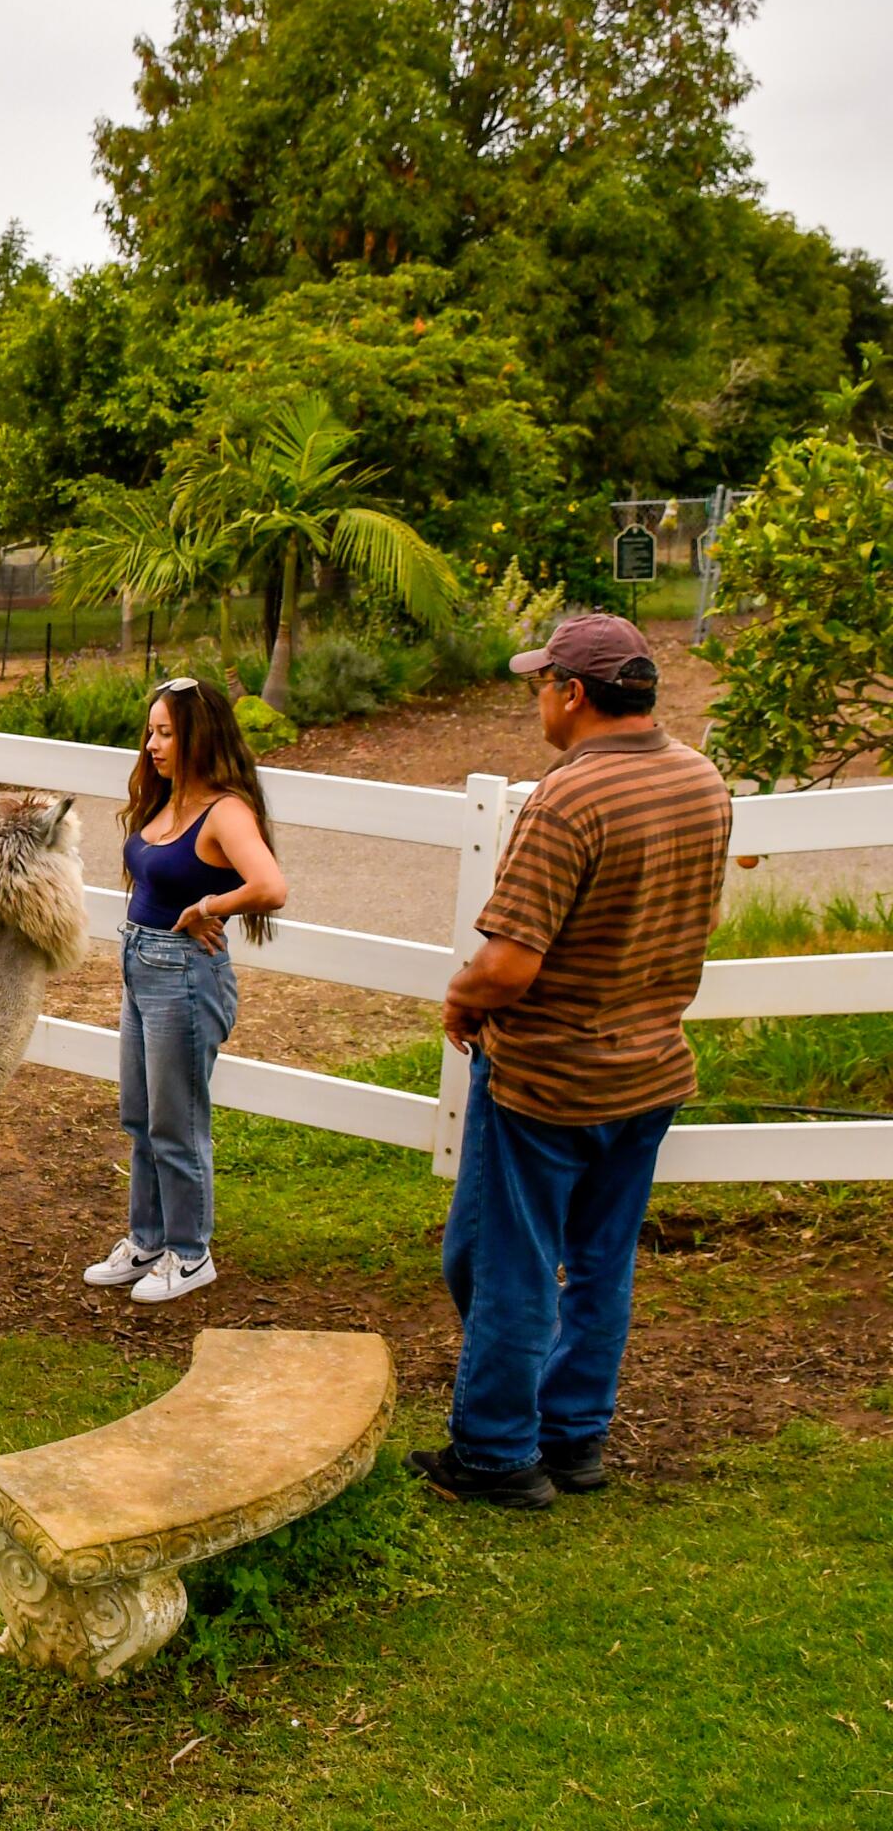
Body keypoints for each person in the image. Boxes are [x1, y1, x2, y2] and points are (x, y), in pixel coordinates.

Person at [408, 614, 731, 1509]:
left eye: (540, 684)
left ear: (574, 694)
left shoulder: (569, 798)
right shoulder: (701, 779)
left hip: (551, 1079)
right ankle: (574, 1438)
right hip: (651, 1071)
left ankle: (499, 1454)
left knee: (505, 1266)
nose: (536, 699)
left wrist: (464, 997)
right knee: (599, 1263)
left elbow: (511, 962)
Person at [84, 676, 287, 1304]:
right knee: (139, 1115)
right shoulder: (166, 802)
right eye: (150, 732)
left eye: (165, 732)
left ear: (198, 735)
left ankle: (191, 1252)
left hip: (183, 976)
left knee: (177, 1122)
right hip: (141, 966)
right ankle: (147, 1239)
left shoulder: (224, 811)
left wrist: (210, 905)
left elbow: (270, 886)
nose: (152, 744)